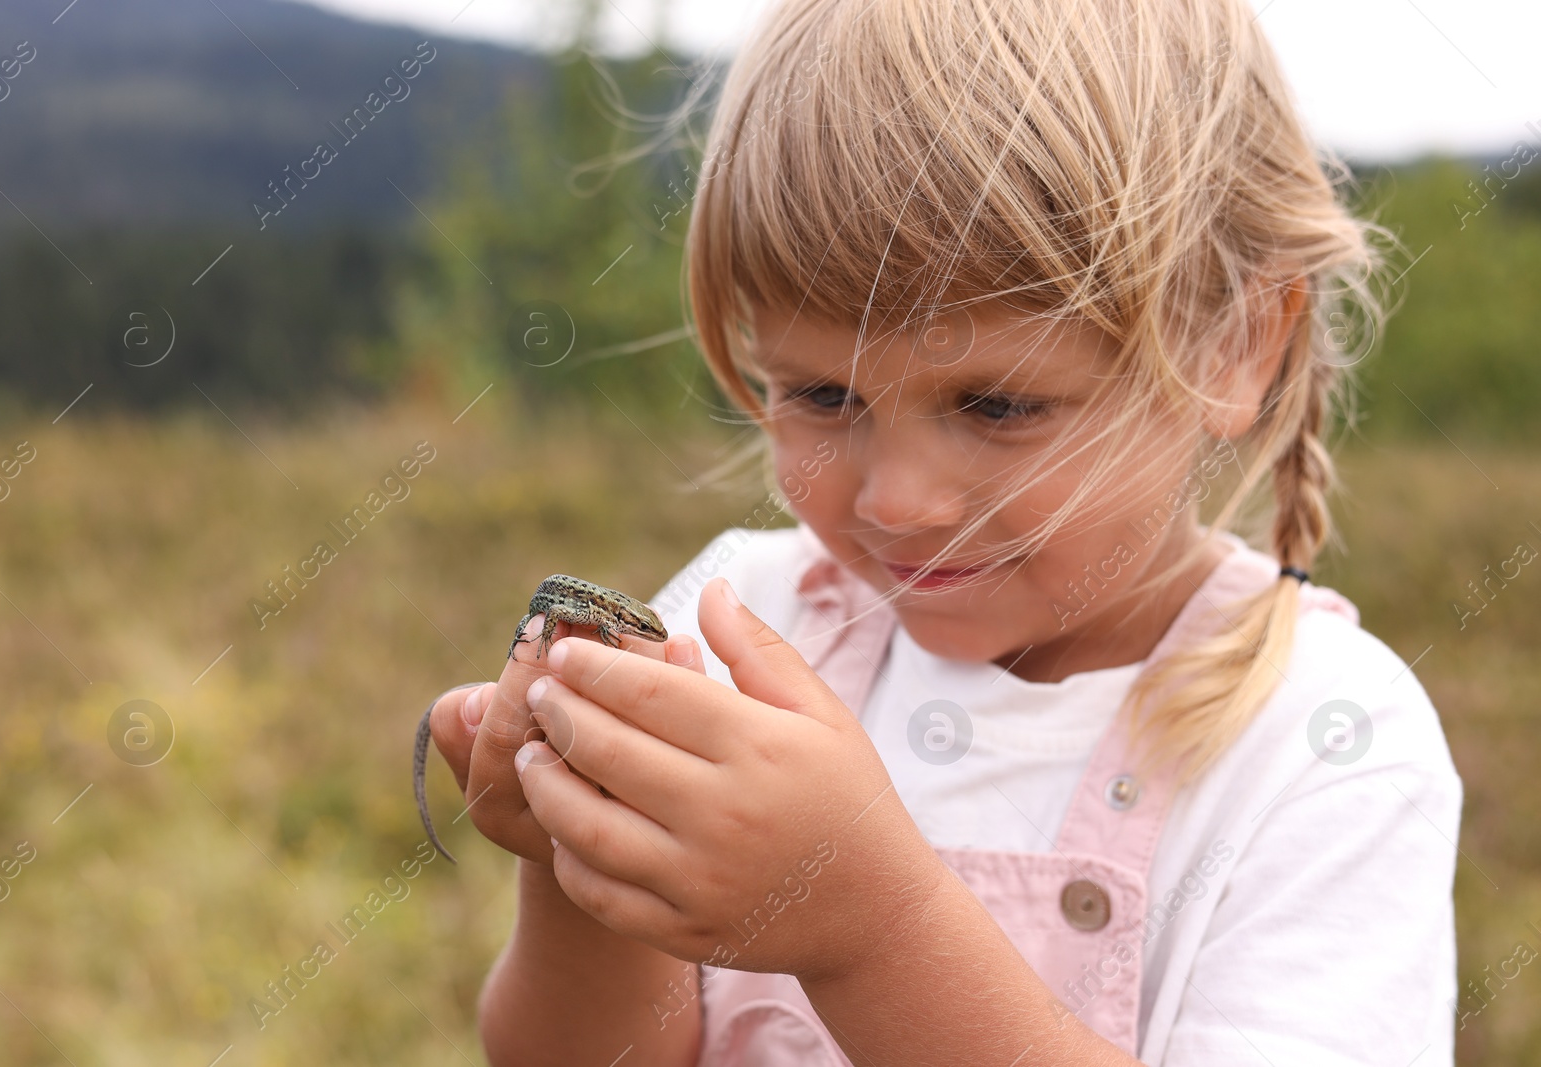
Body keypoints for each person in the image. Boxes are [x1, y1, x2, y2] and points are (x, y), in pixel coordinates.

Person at [425, 0, 1462, 1062]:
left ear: (1234, 348)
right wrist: (576, 860)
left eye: (996, 406)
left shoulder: (1327, 742)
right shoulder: (751, 619)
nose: (897, 502)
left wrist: (873, 932)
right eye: (824, 395)